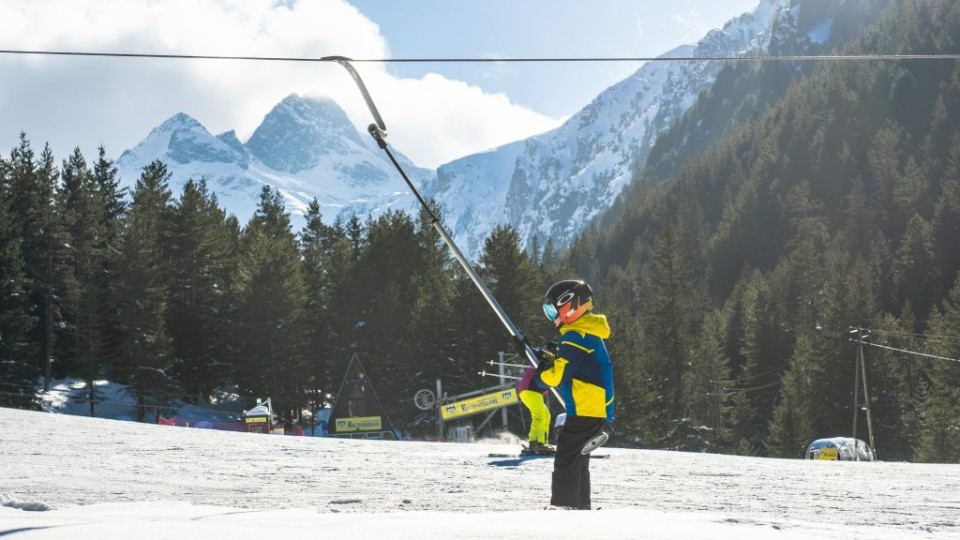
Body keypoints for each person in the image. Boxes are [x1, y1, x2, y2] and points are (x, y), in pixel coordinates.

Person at [535, 279, 614, 510]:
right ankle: (580, 506)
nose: (552, 318)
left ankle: (563, 506)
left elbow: (559, 375)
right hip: (593, 407)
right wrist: (545, 357)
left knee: (566, 457)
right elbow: (570, 364)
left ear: (570, 305)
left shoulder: (575, 334)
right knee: (579, 459)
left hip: (585, 407)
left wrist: (541, 375)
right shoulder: (586, 331)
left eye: (552, 310)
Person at [518, 342, 556, 455]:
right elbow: (538, 352)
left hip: (532, 392)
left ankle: (539, 442)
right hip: (530, 390)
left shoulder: (548, 359)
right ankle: (537, 443)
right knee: (539, 416)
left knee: (545, 415)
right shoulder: (544, 356)